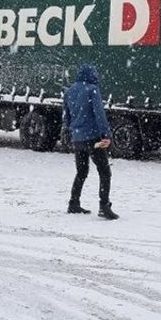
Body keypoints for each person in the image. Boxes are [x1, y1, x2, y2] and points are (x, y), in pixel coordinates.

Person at [62, 65, 117, 219]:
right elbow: (99, 114)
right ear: (91, 75)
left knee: (81, 172)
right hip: (93, 138)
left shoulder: (69, 91)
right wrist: (106, 134)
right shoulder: (92, 89)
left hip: (77, 138)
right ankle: (104, 206)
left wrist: (71, 131)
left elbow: (66, 116)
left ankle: (73, 203)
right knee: (105, 171)